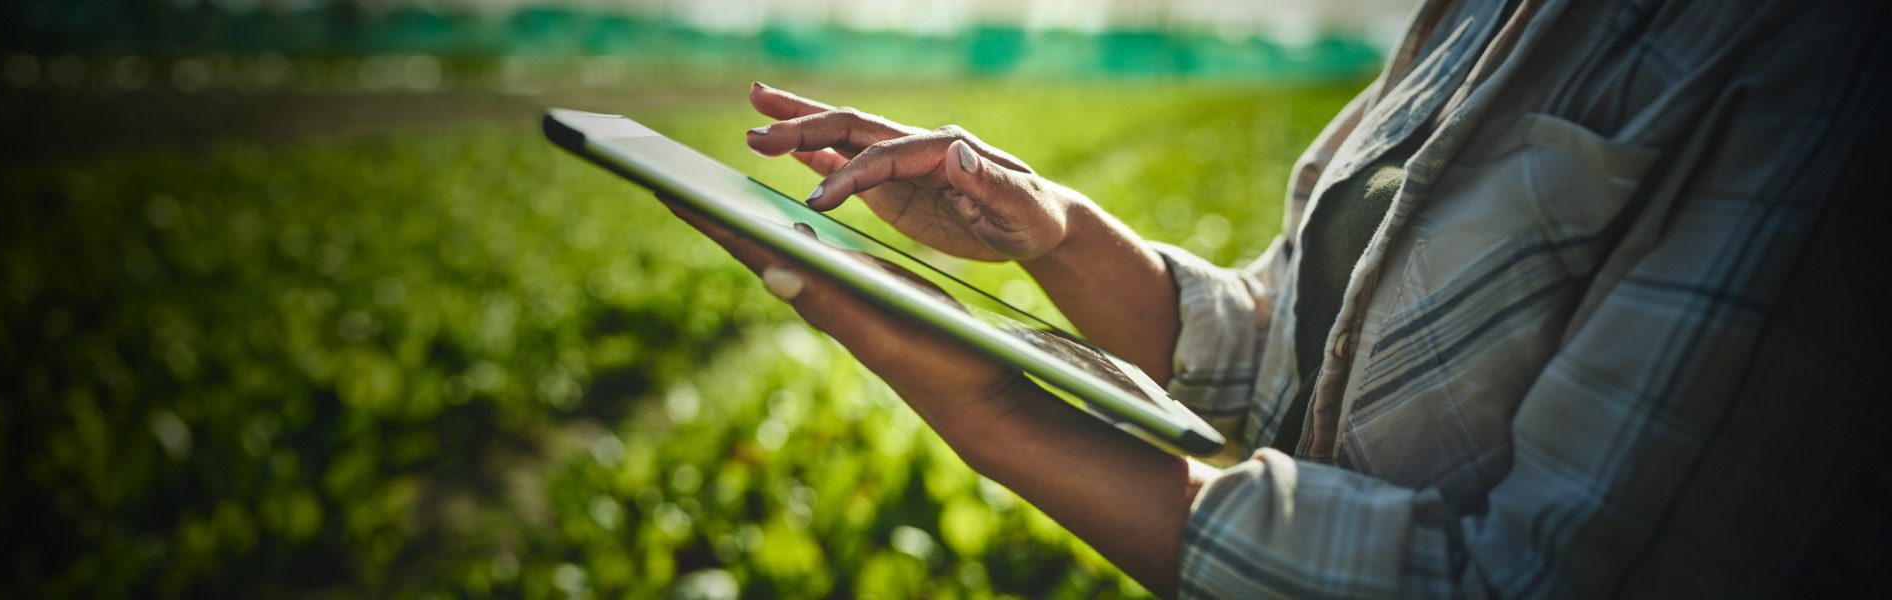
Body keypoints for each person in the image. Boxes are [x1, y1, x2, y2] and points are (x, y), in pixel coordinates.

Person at [660, 0, 1892, 596]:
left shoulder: (1813, 57)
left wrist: (998, 414)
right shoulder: (1476, 18)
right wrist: (1044, 228)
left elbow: (1540, 584)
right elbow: (1283, 346)